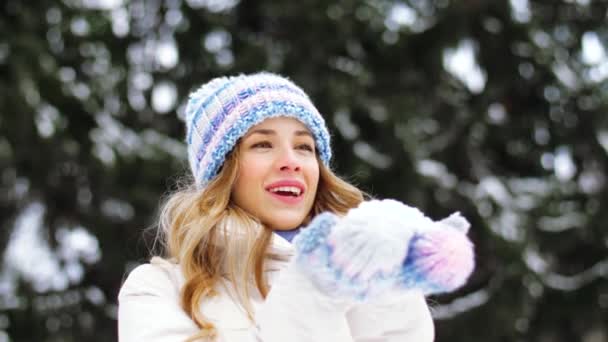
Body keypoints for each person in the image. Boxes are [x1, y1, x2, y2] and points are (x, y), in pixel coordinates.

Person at [118, 72, 475, 341]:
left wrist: (383, 272)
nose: (291, 161)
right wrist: (314, 286)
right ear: (222, 171)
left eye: (305, 147)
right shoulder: (158, 288)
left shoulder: (369, 273)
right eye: (262, 145)